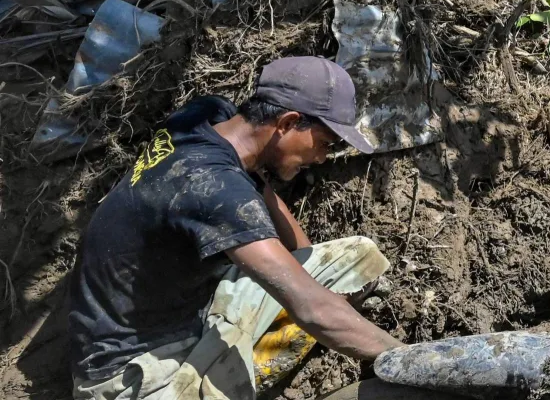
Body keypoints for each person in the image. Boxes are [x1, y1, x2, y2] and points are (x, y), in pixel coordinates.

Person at [68, 56, 404, 399]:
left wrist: (307, 264)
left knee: (357, 257)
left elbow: (259, 185)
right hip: (134, 370)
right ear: (288, 123)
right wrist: (408, 361)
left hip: (180, 307)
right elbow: (312, 309)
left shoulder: (209, 117)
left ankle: (236, 367)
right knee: (315, 307)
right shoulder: (214, 190)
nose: (321, 158)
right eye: (325, 143)